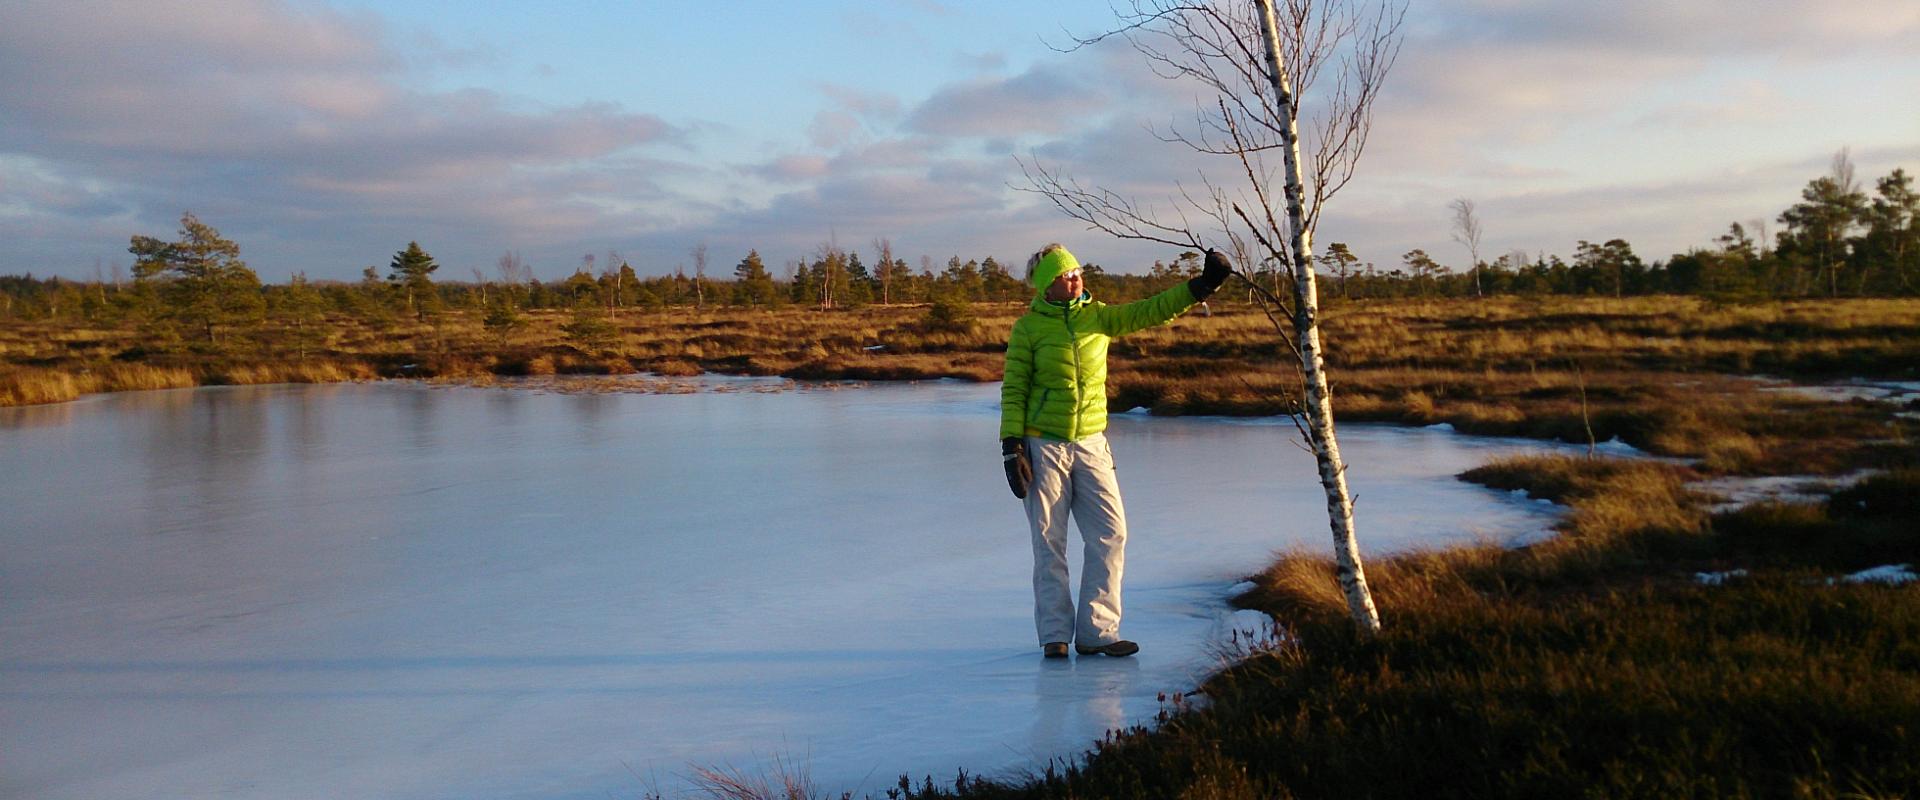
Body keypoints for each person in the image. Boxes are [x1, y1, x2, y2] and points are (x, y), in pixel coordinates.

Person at [1000, 244, 1232, 658]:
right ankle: (1054, 635)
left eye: (1076, 272)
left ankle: (1097, 632)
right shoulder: (1029, 329)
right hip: (1044, 445)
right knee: (1048, 542)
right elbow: (1015, 389)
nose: (1075, 279)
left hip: (1091, 444)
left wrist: (1201, 286)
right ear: (1046, 285)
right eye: (1065, 276)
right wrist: (1011, 445)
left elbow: (1150, 310)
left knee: (1111, 533)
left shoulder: (1099, 316)